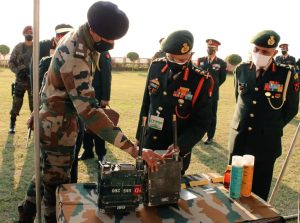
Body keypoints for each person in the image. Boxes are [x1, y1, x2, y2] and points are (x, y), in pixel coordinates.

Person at [17, 2, 162, 223]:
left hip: (57, 122)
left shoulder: (83, 38)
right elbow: (89, 113)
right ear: (94, 30)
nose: (111, 43)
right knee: (54, 189)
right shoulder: (76, 53)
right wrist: (135, 150)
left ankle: (25, 215)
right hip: (58, 129)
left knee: (45, 175)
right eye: (108, 38)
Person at [228, 30, 299, 201]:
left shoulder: (287, 74)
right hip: (240, 137)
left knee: (258, 193)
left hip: (266, 142)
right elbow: (240, 100)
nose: (259, 54)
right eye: (256, 49)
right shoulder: (242, 69)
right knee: (233, 187)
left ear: (274, 53)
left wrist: (270, 126)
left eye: (265, 52)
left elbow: (291, 109)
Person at [136, 30, 214, 175]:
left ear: (191, 55)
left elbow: (202, 122)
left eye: (181, 60)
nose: (175, 63)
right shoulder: (156, 67)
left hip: (174, 149)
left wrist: (181, 146)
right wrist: (139, 137)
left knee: (169, 191)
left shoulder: (201, 80)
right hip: (149, 144)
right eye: (171, 58)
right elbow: (146, 104)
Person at [78, 51, 112, 161]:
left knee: (98, 125)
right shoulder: (85, 50)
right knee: (85, 125)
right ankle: (88, 151)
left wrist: (105, 97)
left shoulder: (103, 53)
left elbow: (107, 76)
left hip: (98, 96)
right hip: (84, 96)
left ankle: (101, 153)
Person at [197, 39, 227, 145]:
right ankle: (198, 135)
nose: (210, 50)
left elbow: (222, 78)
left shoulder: (221, 63)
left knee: (211, 115)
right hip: (200, 93)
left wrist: (213, 86)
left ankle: (210, 137)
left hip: (213, 94)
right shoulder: (200, 60)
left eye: (212, 48)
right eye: (208, 48)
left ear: (216, 49)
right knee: (198, 114)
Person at [8, 26, 33, 134]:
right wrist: (18, 71)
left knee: (35, 106)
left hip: (33, 82)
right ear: (23, 34)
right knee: (16, 104)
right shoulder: (18, 47)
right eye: (27, 32)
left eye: (31, 32)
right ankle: (12, 124)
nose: (29, 33)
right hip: (20, 81)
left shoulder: (37, 47)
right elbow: (11, 62)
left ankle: (34, 126)